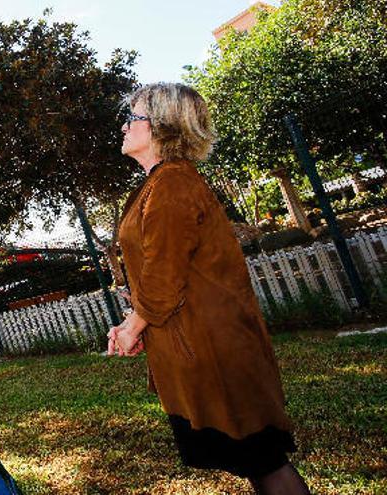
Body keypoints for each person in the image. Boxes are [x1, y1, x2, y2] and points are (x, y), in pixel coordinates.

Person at [107, 83, 310, 495]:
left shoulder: (172, 184)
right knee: (257, 462)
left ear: (162, 127)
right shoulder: (160, 183)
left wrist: (131, 329)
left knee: (265, 461)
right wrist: (135, 321)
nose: (126, 125)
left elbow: (163, 281)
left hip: (217, 349)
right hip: (203, 343)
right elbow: (159, 270)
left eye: (135, 117)